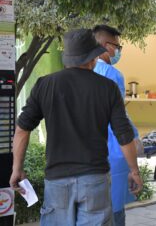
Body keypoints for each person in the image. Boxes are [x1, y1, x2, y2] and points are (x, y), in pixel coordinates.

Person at [9, 29, 143, 226]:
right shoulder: (108, 88)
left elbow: (22, 129)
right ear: (93, 57)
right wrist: (134, 171)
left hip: (57, 181)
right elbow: (123, 134)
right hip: (94, 180)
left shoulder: (45, 84)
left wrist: (17, 169)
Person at [93, 24, 141, 226]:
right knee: (114, 212)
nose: (118, 51)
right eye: (117, 46)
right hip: (113, 151)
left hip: (86, 156)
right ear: (105, 45)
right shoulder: (112, 74)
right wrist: (136, 138)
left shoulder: (81, 72)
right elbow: (119, 119)